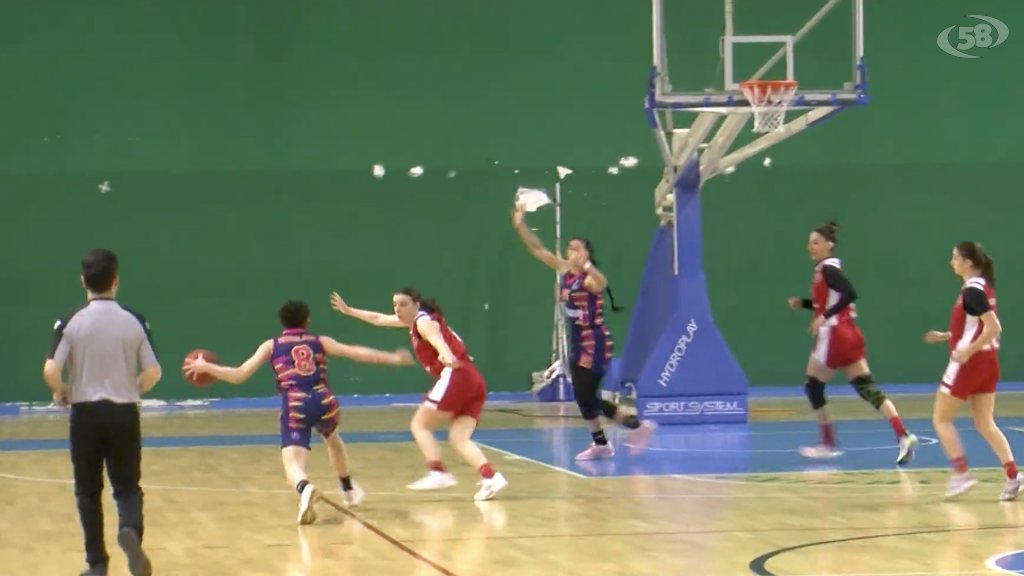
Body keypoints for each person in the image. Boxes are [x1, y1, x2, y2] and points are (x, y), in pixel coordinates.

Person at [183, 300, 415, 524]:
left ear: (282, 322)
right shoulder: (320, 341)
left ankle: (305, 488)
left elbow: (239, 375)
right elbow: (353, 352)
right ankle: (349, 490)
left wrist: (206, 367)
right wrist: (392, 358)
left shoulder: (271, 345)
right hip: (324, 400)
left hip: (296, 403)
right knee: (332, 439)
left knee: (292, 464)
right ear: (307, 320)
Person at [43, 248, 159, 576]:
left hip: (85, 416)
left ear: (84, 281)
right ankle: (130, 530)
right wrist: (137, 385)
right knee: (128, 487)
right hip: (124, 414)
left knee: (88, 491)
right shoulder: (134, 321)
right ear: (116, 281)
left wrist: (61, 391)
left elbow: (51, 369)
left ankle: (97, 564)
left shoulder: (71, 321)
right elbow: (153, 371)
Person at [330, 289, 509, 501]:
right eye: (395, 304)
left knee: (420, 425)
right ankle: (491, 477)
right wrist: (349, 310)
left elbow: (437, 340)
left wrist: (447, 355)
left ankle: (438, 472)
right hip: (473, 380)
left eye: (403, 304)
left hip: (456, 375)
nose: (398, 309)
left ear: (416, 305)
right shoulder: (415, 322)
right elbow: (378, 318)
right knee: (459, 438)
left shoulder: (423, 322)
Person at [511, 208, 656, 461]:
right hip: (578, 343)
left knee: (585, 395)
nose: (572, 252)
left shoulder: (588, 279)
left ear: (586, 253)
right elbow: (537, 249)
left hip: (595, 343)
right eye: (569, 248)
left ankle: (633, 428)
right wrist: (520, 225)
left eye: (577, 248)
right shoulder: (566, 271)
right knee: (583, 397)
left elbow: (602, 283)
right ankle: (609, 440)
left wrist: (587, 266)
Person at [788, 220, 919, 463]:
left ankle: (828, 442)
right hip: (850, 334)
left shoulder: (828, 270)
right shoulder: (827, 269)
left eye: (816, 242)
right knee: (867, 388)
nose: (810, 247)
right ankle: (903, 435)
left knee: (813, 385)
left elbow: (850, 293)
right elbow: (828, 302)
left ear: (829, 244)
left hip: (835, 336)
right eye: (809, 243)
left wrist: (823, 317)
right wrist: (804, 304)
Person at [924, 241, 1021, 500]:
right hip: (988, 364)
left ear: (968, 262)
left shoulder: (972, 291)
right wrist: (948, 335)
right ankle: (1013, 476)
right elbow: (976, 326)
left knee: (941, 418)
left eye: (955, 257)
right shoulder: (982, 287)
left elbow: (994, 328)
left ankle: (961, 474)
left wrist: (967, 350)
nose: (952, 262)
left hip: (968, 364)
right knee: (984, 422)